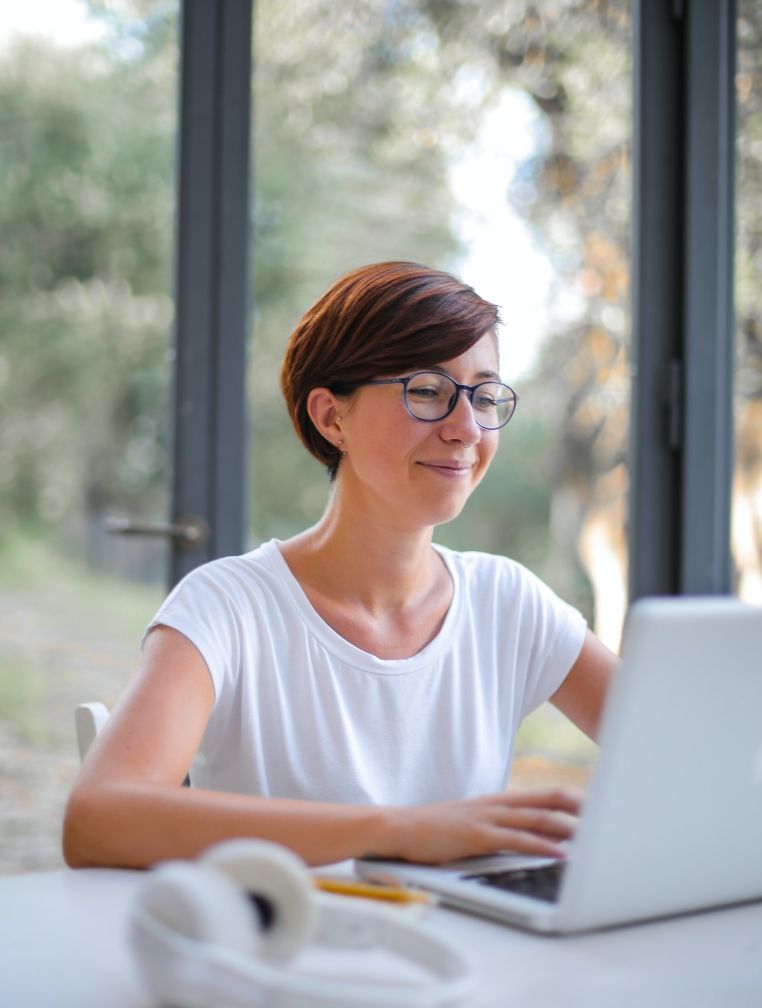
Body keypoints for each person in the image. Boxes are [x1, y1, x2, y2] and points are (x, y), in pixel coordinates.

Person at [63, 261, 617, 870]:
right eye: (428, 391)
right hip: (286, 950)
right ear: (332, 417)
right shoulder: (228, 605)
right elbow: (98, 819)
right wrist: (398, 829)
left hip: (467, 955)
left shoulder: (508, 601)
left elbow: (683, 751)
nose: (466, 429)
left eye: (484, 397)